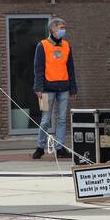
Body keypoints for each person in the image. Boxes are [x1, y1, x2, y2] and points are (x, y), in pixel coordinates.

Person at [32, 17, 77, 160]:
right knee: (45, 119)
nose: (63, 30)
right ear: (52, 29)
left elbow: (71, 68)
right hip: (46, 89)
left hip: (63, 88)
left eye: (64, 28)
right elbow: (38, 69)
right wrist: (38, 88)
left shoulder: (67, 45)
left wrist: (73, 88)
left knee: (62, 119)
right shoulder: (42, 45)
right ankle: (40, 147)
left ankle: (60, 148)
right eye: (61, 28)